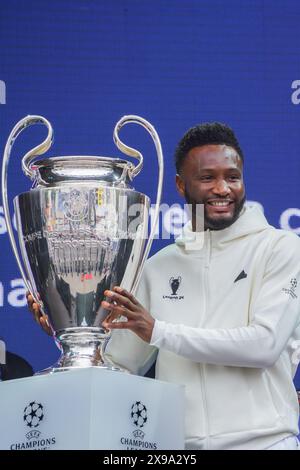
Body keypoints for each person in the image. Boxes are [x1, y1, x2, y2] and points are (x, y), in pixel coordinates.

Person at [28, 122, 300, 450]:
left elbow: (264, 345)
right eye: (207, 177)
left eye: (232, 177)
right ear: (180, 185)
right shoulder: (159, 266)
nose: (223, 189)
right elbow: (120, 366)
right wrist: (73, 329)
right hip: (178, 450)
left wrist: (159, 330)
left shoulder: (281, 248)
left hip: (265, 443)